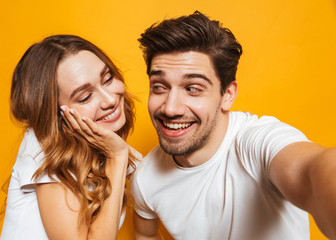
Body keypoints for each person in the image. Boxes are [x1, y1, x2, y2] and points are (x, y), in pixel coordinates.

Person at [130, 11, 336, 240]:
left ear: (227, 95)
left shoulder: (258, 143)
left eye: (193, 88)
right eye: (159, 87)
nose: (170, 108)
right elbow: (145, 235)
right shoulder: (146, 177)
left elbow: (311, 171)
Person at [0, 34, 141, 240]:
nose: (110, 99)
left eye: (108, 78)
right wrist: (117, 157)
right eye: (85, 97)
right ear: (56, 114)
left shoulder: (101, 143)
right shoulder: (43, 145)